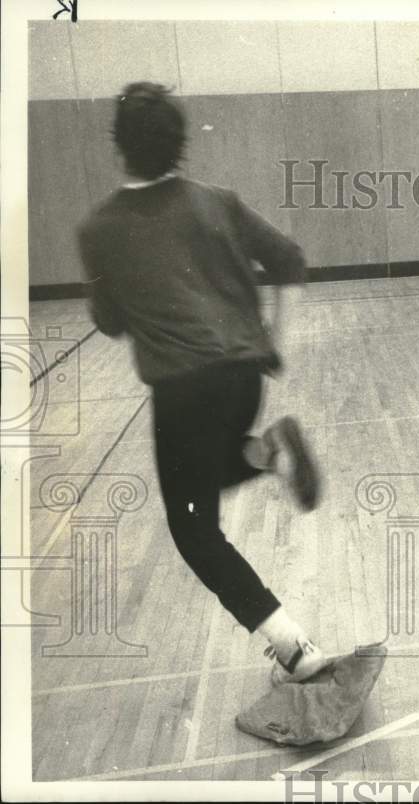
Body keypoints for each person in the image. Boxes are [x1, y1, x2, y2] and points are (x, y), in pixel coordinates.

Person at [77, 82, 328, 682]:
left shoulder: (98, 229)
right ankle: (266, 452)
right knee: (212, 464)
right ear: (181, 144)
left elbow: (111, 324)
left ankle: (293, 647)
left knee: (194, 529)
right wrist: (275, 342)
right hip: (245, 377)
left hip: (183, 390)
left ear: (120, 147)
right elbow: (290, 259)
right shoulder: (218, 201)